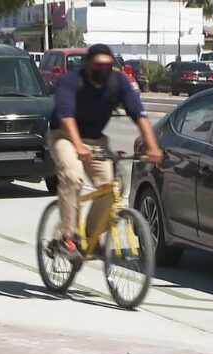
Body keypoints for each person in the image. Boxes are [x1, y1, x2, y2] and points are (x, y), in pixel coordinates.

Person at [48, 43, 162, 261]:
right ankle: (66, 236)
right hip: (63, 136)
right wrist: (78, 145)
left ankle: (90, 236)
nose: (103, 70)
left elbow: (139, 115)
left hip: (95, 140)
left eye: (107, 65)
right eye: (98, 65)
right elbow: (66, 116)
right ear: (88, 65)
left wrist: (153, 146)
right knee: (72, 177)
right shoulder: (71, 81)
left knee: (110, 187)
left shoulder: (117, 82)